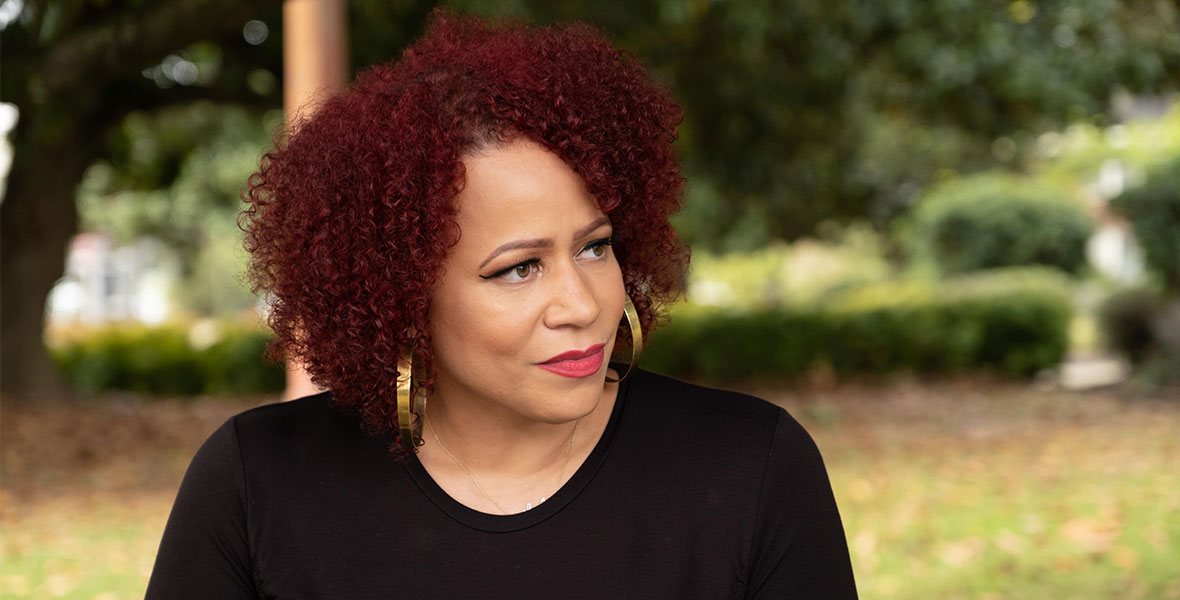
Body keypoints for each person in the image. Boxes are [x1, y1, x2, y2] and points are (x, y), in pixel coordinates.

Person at [146, 10, 857, 599]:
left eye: (594, 247)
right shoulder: (255, 483)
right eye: (518, 270)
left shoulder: (751, 467)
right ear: (401, 296)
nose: (580, 304)